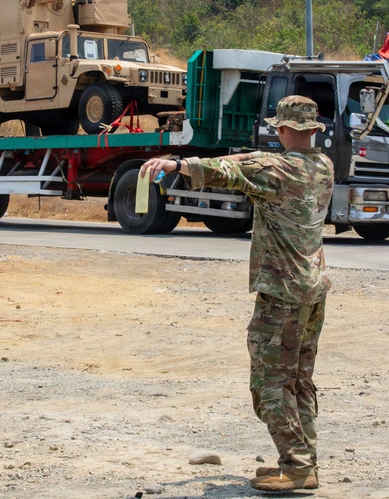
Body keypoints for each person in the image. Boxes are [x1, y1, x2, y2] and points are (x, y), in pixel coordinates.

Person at [142, 96, 335, 493]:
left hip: (282, 292)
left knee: (269, 383)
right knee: (298, 380)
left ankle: (297, 467)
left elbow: (229, 170)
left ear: (282, 130)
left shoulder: (277, 168)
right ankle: (304, 461)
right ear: (313, 130)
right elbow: (256, 160)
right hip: (313, 289)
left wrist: (176, 164)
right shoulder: (322, 165)